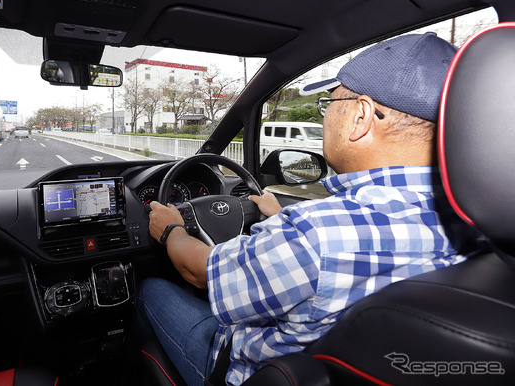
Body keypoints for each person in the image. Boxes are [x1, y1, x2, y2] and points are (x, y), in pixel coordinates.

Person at [137, 32, 481, 385]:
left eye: (329, 104)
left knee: (149, 288)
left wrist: (171, 228)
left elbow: (201, 272)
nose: (325, 118)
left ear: (360, 117)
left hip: (246, 370)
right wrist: (280, 216)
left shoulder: (317, 235)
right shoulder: (479, 223)